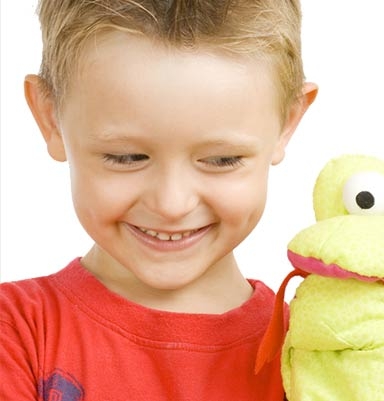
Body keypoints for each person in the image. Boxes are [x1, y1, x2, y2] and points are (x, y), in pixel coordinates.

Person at [0, 0, 317, 399]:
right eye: (127, 157)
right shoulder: (16, 334)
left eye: (221, 160)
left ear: (287, 122)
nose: (171, 203)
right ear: (50, 116)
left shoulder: (317, 354)